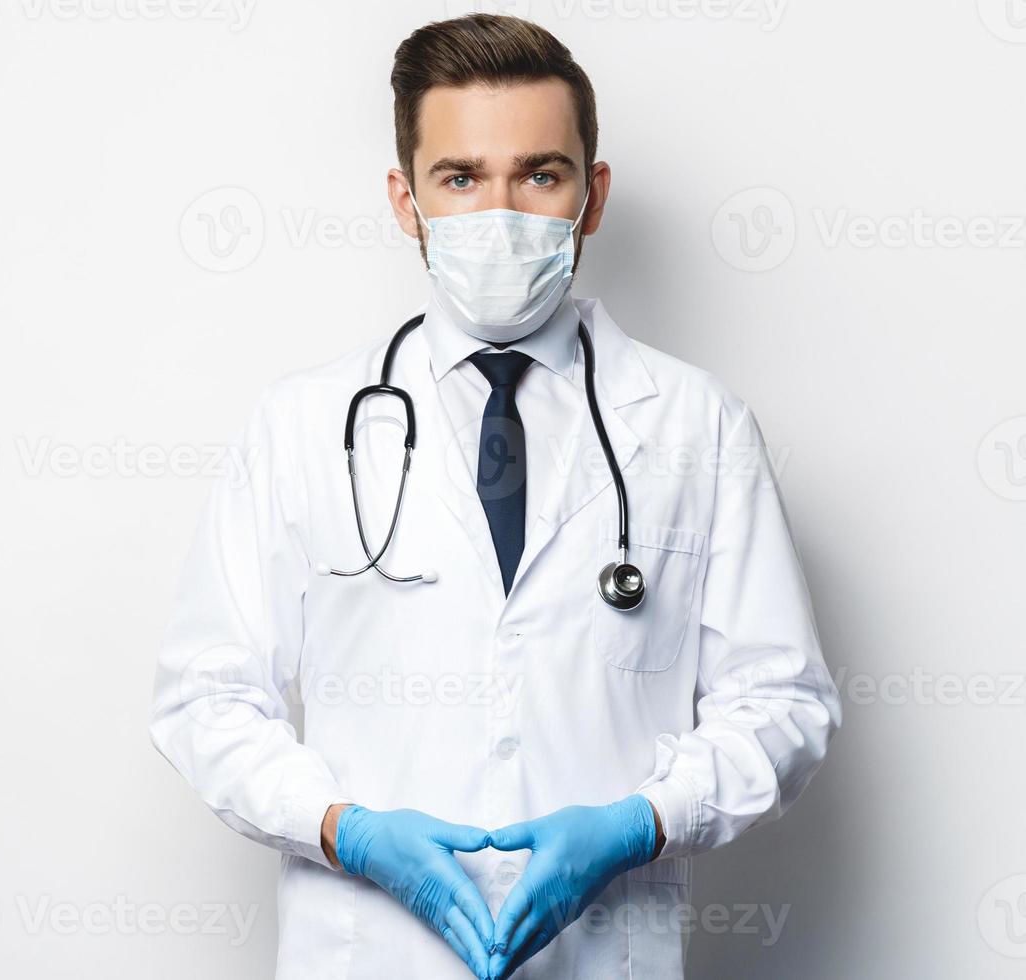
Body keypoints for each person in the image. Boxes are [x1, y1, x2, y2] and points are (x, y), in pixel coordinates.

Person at [149, 13, 841, 979]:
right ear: (407, 200)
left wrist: (638, 824)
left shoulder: (697, 426)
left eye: (540, 174)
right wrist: (346, 832)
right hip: (368, 951)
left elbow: (784, 701)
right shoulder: (302, 425)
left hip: (605, 955)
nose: (500, 212)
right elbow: (206, 699)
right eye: (462, 178)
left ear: (591, 197)